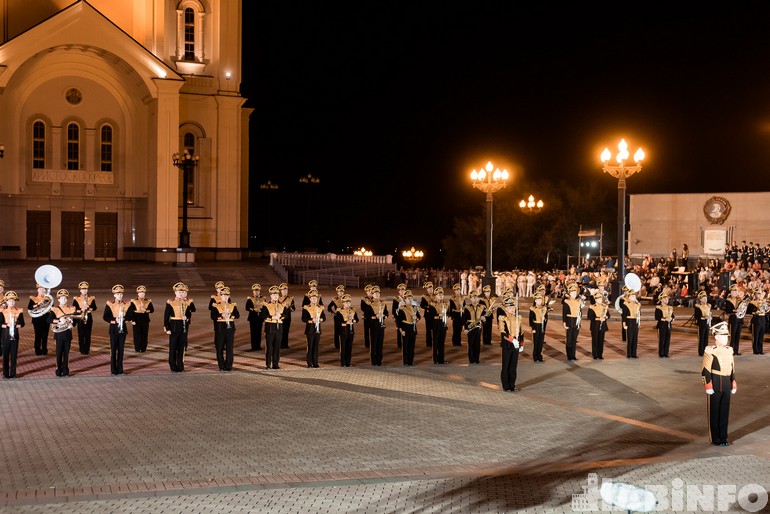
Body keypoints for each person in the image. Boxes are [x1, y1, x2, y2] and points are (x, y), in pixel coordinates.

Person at [701, 321, 737, 446]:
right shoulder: (710, 351)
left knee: (724, 412)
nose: (726, 339)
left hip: (726, 382)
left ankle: (724, 437)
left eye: (726, 336)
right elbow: (705, 369)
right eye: (723, 336)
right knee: (714, 411)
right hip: (715, 382)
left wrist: (733, 381)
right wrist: (707, 384)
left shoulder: (729, 350)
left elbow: (732, 367)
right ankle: (715, 438)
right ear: (716, 337)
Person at [163, 282, 195, 372]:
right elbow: (166, 316)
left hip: (183, 327)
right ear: (175, 293)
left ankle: (180, 365)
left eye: (182, 292)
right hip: (174, 326)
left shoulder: (186, 303)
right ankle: (173, 366)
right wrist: (167, 328)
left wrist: (187, 317)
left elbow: (189, 313)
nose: (181, 294)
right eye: (179, 292)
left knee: (181, 347)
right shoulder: (171, 302)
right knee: (173, 347)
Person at [47, 289, 76, 377]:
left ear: (67, 299)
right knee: (59, 353)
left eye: (65, 298)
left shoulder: (71, 309)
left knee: (66, 353)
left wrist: (72, 325)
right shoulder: (55, 309)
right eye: (61, 298)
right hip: (59, 334)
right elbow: (48, 319)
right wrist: (59, 320)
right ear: (58, 299)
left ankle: (66, 370)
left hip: (67, 334)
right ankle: (58, 369)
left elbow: (74, 320)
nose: (63, 300)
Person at [103, 284, 130, 375]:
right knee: (113, 349)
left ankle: (120, 369)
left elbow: (131, 315)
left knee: (121, 350)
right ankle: (113, 370)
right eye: (118, 294)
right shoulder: (110, 304)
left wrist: (124, 319)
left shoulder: (126, 304)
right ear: (114, 295)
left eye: (121, 294)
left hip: (123, 329)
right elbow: (105, 317)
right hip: (114, 329)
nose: (120, 296)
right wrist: (115, 320)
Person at [210, 286, 239, 371]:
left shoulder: (232, 305)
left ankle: (229, 365)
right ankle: (221, 365)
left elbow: (237, 315)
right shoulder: (216, 305)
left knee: (230, 348)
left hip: (230, 328)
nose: (225, 297)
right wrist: (221, 315)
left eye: (227, 295)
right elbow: (212, 316)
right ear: (221, 296)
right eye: (223, 295)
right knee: (220, 347)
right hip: (220, 328)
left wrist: (231, 315)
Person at [499, 296, 523, 392]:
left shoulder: (518, 318)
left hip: (516, 345)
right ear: (505, 308)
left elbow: (521, 332)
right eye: (509, 308)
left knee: (513, 366)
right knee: (506, 366)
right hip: (508, 345)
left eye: (513, 307)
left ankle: (512, 384)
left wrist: (521, 344)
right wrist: (512, 340)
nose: (511, 309)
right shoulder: (503, 318)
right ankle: (506, 385)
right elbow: (503, 332)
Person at [260, 286, 285, 369]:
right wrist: (271, 317)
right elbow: (262, 315)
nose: (275, 296)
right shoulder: (266, 305)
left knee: (277, 347)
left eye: (277, 294)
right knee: (269, 347)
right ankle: (268, 364)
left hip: (279, 328)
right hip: (270, 328)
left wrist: (281, 316)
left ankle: (275, 364)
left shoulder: (281, 305)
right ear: (270, 295)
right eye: (273, 294)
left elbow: (286, 314)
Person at [1, 291, 25, 378]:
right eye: (10, 301)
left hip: (15, 335)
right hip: (5, 335)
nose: (11, 302)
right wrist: (7, 325)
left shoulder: (19, 311)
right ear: (6, 302)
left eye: (13, 301)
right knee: (5, 355)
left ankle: (13, 373)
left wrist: (16, 325)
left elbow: (22, 324)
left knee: (14, 355)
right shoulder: (2, 311)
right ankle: (5, 373)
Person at [362, 285, 388, 366]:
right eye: (375, 293)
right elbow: (366, 315)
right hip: (373, 326)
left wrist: (383, 315)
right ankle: (373, 361)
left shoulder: (382, 303)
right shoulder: (369, 304)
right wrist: (375, 316)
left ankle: (379, 361)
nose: (377, 295)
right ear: (372, 295)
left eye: (378, 293)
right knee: (373, 344)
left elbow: (387, 313)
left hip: (381, 326)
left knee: (380, 344)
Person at [301, 289, 326, 368]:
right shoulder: (306, 308)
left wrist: (320, 319)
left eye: (316, 298)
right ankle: (309, 363)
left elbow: (324, 318)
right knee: (310, 346)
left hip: (318, 329)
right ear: (310, 299)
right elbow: (303, 319)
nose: (315, 299)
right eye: (313, 298)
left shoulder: (320, 307)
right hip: (310, 330)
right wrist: (311, 320)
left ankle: (316, 363)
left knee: (316, 347)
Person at [127, 285, 154, 353]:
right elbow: (130, 312)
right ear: (138, 294)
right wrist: (132, 320)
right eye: (140, 293)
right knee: (137, 334)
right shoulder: (133, 301)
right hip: (136, 320)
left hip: (145, 320)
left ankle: (143, 348)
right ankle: (137, 348)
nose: (142, 294)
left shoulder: (148, 301)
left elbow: (152, 310)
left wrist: (146, 310)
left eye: (143, 293)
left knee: (144, 334)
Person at [72, 281, 97, 355]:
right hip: (80, 317)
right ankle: (82, 349)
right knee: (81, 334)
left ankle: (87, 349)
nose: (84, 290)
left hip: (89, 316)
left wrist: (89, 307)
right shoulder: (77, 299)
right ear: (80, 290)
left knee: (88, 334)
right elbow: (74, 309)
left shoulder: (91, 298)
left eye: (86, 289)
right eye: (83, 289)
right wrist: (81, 309)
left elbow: (94, 307)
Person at [334, 294, 358, 367]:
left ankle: (348, 362)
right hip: (343, 331)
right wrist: (345, 322)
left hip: (351, 331)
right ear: (343, 303)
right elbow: (338, 322)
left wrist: (353, 321)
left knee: (349, 347)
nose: (348, 304)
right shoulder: (339, 311)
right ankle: (343, 362)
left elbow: (357, 319)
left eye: (349, 302)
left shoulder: (352, 311)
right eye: (346, 302)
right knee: (343, 347)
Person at [396, 290, 419, 366]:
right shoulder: (402, 308)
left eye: (411, 298)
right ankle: (405, 361)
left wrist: (416, 318)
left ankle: (411, 361)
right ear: (405, 299)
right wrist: (401, 330)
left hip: (412, 327)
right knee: (405, 346)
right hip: (405, 328)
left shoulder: (414, 307)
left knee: (412, 346)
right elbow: (399, 321)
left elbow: (419, 316)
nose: (410, 300)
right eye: (408, 298)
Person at [429, 287, 450, 364]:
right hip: (436, 324)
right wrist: (439, 315)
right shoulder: (432, 304)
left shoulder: (445, 304)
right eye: (439, 294)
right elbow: (431, 316)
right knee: (435, 342)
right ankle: (435, 359)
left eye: (442, 294)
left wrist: (445, 315)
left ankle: (441, 359)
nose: (441, 296)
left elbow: (448, 313)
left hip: (443, 324)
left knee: (442, 343)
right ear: (436, 296)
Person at [562, 283, 583, 361]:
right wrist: (564, 322)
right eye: (572, 292)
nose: (574, 294)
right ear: (569, 293)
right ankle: (569, 355)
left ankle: (573, 355)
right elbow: (564, 313)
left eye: (575, 292)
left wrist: (579, 322)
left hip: (576, 322)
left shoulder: (578, 301)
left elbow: (580, 313)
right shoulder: (566, 301)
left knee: (574, 339)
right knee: (569, 339)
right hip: (569, 321)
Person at [27, 283, 50, 355]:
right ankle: (37, 349)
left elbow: (52, 308)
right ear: (37, 290)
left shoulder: (48, 298)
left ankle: (44, 349)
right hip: (37, 319)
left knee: (45, 335)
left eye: (43, 289)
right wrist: (38, 304)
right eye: (40, 289)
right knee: (38, 335)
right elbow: (30, 307)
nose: (42, 290)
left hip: (46, 319)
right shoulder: (33, 298)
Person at [462, 291, 484, 364]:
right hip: (470, 327)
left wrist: (484, 318)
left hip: (478, 327)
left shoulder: (481, 307)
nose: (475, 299)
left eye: (476, 297)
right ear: (470, 299)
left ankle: (476, 359)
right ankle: (471, 359)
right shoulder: (467, 307)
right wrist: (465, 328)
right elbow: (464, 319)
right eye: (473, 297)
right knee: (471, 343)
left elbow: (485, 317)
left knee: (477, 344)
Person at [723, 284, 745, 356]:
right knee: (732, 336)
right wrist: (734, 310)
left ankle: (736, 350)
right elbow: (727, 310)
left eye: (735, 292)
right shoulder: (728, 300)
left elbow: (743, 309)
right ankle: (731, 350)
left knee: (738, 336)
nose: (734, 293)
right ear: (730, 292)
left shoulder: (740, 300)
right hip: (733, 319)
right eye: (733, 292)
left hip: (739, 319)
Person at [587, 291, 609, 360]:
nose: (599, 300)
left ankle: (600, 354)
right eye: (597, 299)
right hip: (595, 326)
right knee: (595, 340)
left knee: (601, 340)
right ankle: (595, 354)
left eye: (600, 298)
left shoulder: (605, 306)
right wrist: (599, 318)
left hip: (602, 325)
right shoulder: (592, 307)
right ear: (595, 299)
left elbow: (608, 315)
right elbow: (589, 317)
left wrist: (605, 317)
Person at [746, 288, 767, 355]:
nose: (759, 295)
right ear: (755, 295)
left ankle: (760, 349)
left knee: (761, 336)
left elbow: (766, 310)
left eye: (760, 294)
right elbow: (748, 311)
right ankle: (756, 350)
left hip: (762, 319)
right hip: (756, 319)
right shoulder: (752, 303)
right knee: (756, 336)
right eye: (758, 294)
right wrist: (755, 312)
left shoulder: (763, 302)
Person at [622, 288, 642, 358]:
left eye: (634, 296)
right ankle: (629, 353)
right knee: (630, 338)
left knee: (635, 338)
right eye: (632, 296)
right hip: (629, 321)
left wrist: (639, 322)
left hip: (635, 321)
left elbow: (639, 314)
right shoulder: (626, 304)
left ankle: (634, 353)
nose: (634, 297)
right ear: (629, 297)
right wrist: (624, 324)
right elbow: (624, 315)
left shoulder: (638, 304)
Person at [244, 284, 265, 351]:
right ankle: (253, 346)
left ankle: (258, 346)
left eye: (257, 291)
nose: (256, 292)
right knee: (253, 332)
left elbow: (265, 307)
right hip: (253, 318)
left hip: (260, 318)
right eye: (255, 291)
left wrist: (262, 309)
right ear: (253, 291)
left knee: (259, 332)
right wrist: (253, 309)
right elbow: (247, 307)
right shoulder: (250, 299)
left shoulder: (263, 299)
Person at [529, 292, 548, 362]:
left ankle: (539, 355)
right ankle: (535, 356)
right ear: (535, 301)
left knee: (540, 342)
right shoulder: (532, 309)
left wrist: (545, 319)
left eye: (540, 300)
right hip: (536, 326)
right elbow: (530, 319)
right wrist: (532, 328)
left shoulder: (544, 308)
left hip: (542, 326)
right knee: (535, 342)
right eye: (538, 300)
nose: (540, 301)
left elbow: (546, 318)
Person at [655, 292, 674, 358]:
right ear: (661, 300)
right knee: (662, 339)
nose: (666, 300)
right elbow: (657, 317)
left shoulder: (670, 307)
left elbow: (673, 316)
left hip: (668, 325)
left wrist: (671, 319)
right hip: (662, 325)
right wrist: (665, 319)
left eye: (667, 298)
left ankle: (666, 353)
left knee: (667, 339)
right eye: (665, 299)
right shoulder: (659, 307)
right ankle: (661, 353)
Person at [327, 284, 347, 349]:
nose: (341, 293)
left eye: (342, 291)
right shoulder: (335, 300)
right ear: (337, 292)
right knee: (337, 331)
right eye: (339, 292)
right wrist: (332, 313)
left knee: (344, 330)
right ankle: (337, 344)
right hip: (337, 317)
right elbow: (329, 307)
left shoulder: (346, 299)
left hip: (345, 316)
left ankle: (344, 343)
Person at [694, 291, 712, 356]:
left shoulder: (708, 306)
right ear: (700, 299)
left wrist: (710, 317)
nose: (705, 299)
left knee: (706, 337)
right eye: (703, 298)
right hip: (701, 323)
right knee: (701, 338)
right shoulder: (698, 306)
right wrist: (703, 317)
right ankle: (701, 352)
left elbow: (710, 313)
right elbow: (696, 316)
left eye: (706, 298)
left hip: (707, 323)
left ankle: (705, 350)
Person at [278, 283, 295, 349]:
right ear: (281, 291)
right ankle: (280, 344)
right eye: (283, 290)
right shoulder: (278, 299)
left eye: (286, 290)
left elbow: (293, 309)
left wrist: (289, 307)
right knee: (280, 331)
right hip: (280, 317)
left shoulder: (290, 299)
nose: (285, 291)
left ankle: (285, 344)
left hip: (287, 317)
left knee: (286, 331)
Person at [391, 283, 407, 349]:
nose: (402, 291)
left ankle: (405, 343)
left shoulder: (407, 298)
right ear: (399, 291)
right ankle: (399, 344)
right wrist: (394, 316)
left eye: (403, 290)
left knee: (406, 329)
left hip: (406, 316)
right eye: (401, 290)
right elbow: (394, 308)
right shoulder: (396, 299)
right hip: (398, 316)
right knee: (399, 329)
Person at [419, 282, 435, 347]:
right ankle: (428, 343)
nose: (431, 289)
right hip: (428, 315)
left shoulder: (436, 295)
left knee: (435, 330)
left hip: (435, 315)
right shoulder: (424, 297)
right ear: (427, 289)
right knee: (428, 330)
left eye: (431, 288)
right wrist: (427, 307)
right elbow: (422, 305)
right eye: (429, 288)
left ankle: (435, 342)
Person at [360, 284, 373, 349]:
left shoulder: (375, 298)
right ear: (366, 292)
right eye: (368, 291)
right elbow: (362, 308)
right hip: (367, 317)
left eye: (370, 291)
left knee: (373, 331)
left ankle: (373, 342)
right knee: (366, 331)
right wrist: (368, 312)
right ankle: (367, 343)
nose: (369, 292)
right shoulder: (364, 299)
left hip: (373, 318)